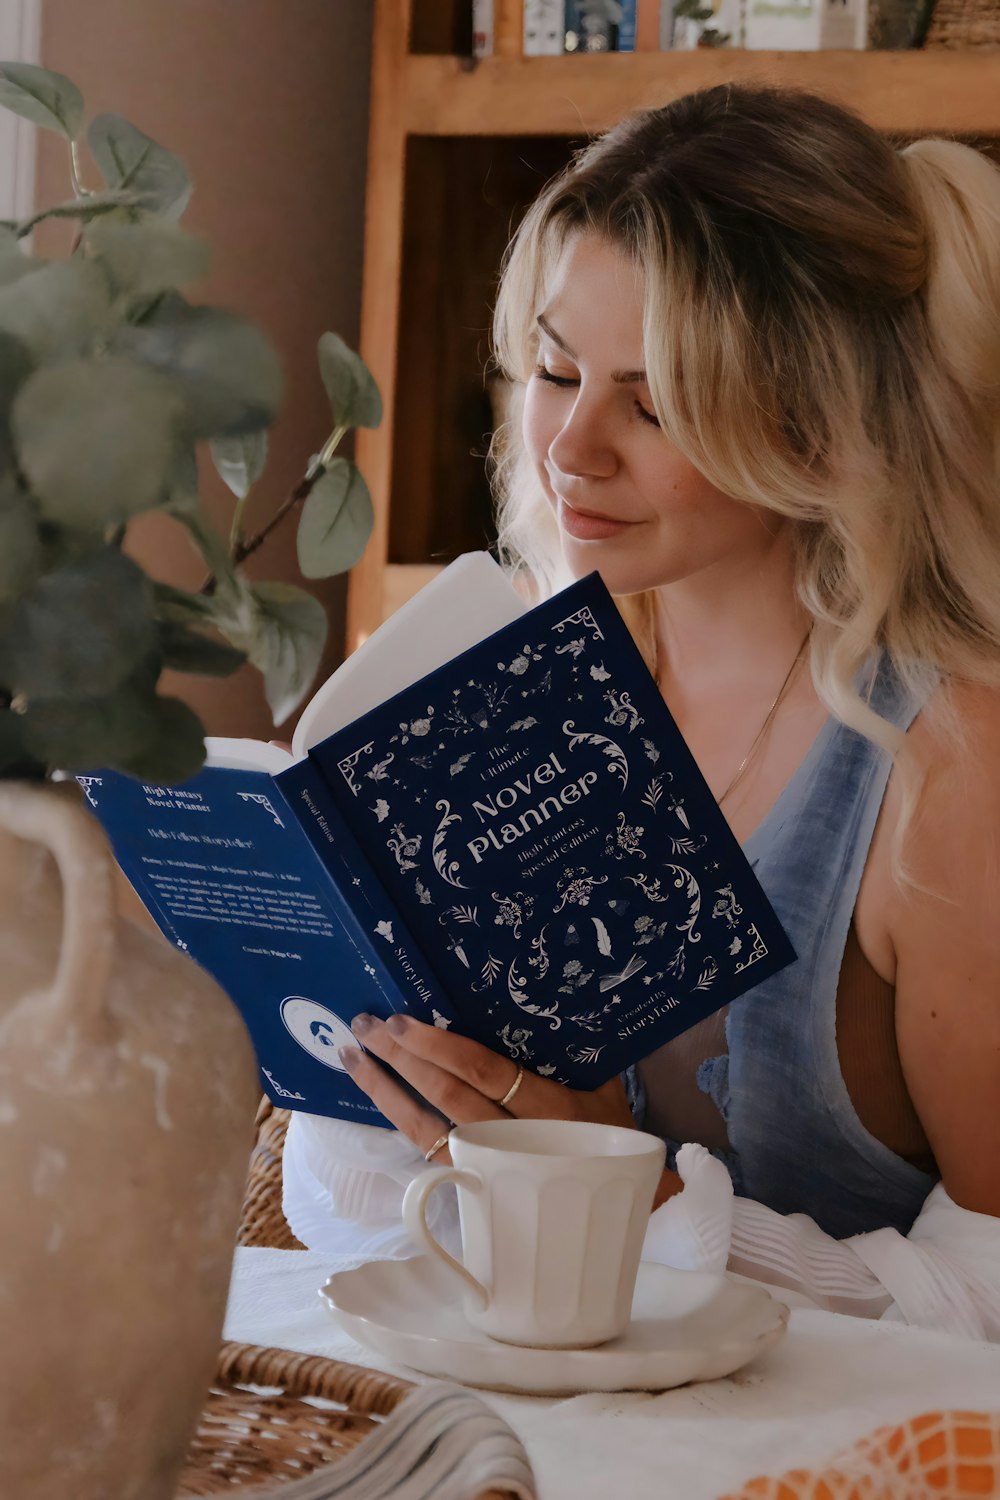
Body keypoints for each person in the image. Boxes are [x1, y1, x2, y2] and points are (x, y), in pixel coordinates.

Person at [283, 83, 1000, 1337]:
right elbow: (341, 1217)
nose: (570, 448)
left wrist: (636, 1195)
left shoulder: (948, 770)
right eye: (556, 370)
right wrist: (371, 1082)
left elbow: (986, 1297)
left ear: (824, 422)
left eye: (655, 399)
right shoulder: (500, 692)